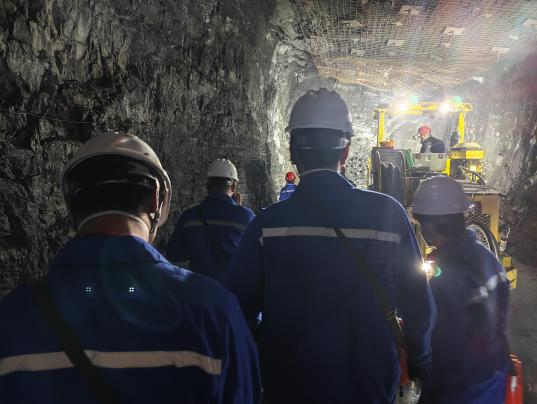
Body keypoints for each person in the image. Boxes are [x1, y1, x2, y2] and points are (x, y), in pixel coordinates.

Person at [0, 133, 261, 404]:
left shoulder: (11, 316)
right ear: (156, 199)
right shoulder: (216, 314)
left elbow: (177, 252)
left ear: (73, 205)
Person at [221, 88, 436, 403]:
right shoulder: (388, 214)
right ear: (346, 152)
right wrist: (420, 358)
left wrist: (263, 346)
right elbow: (418, 302)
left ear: (293, 152)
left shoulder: (267, 225)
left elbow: (234, 307)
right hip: (369, 383)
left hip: (290, 383)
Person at [412, 176, 509, 404]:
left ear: (432, 225)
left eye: (421, 224)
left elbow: (446, 345)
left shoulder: (449, 274)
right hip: (493, 378)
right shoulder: (489, 259)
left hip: (460, 389)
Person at [166, 159, 255, 279]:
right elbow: (256, 256)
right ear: (234, 186)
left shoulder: (189, 217)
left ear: (208, 186)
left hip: (200, 287)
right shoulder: (246, 217)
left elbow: (174, 255)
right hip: (234, 287)